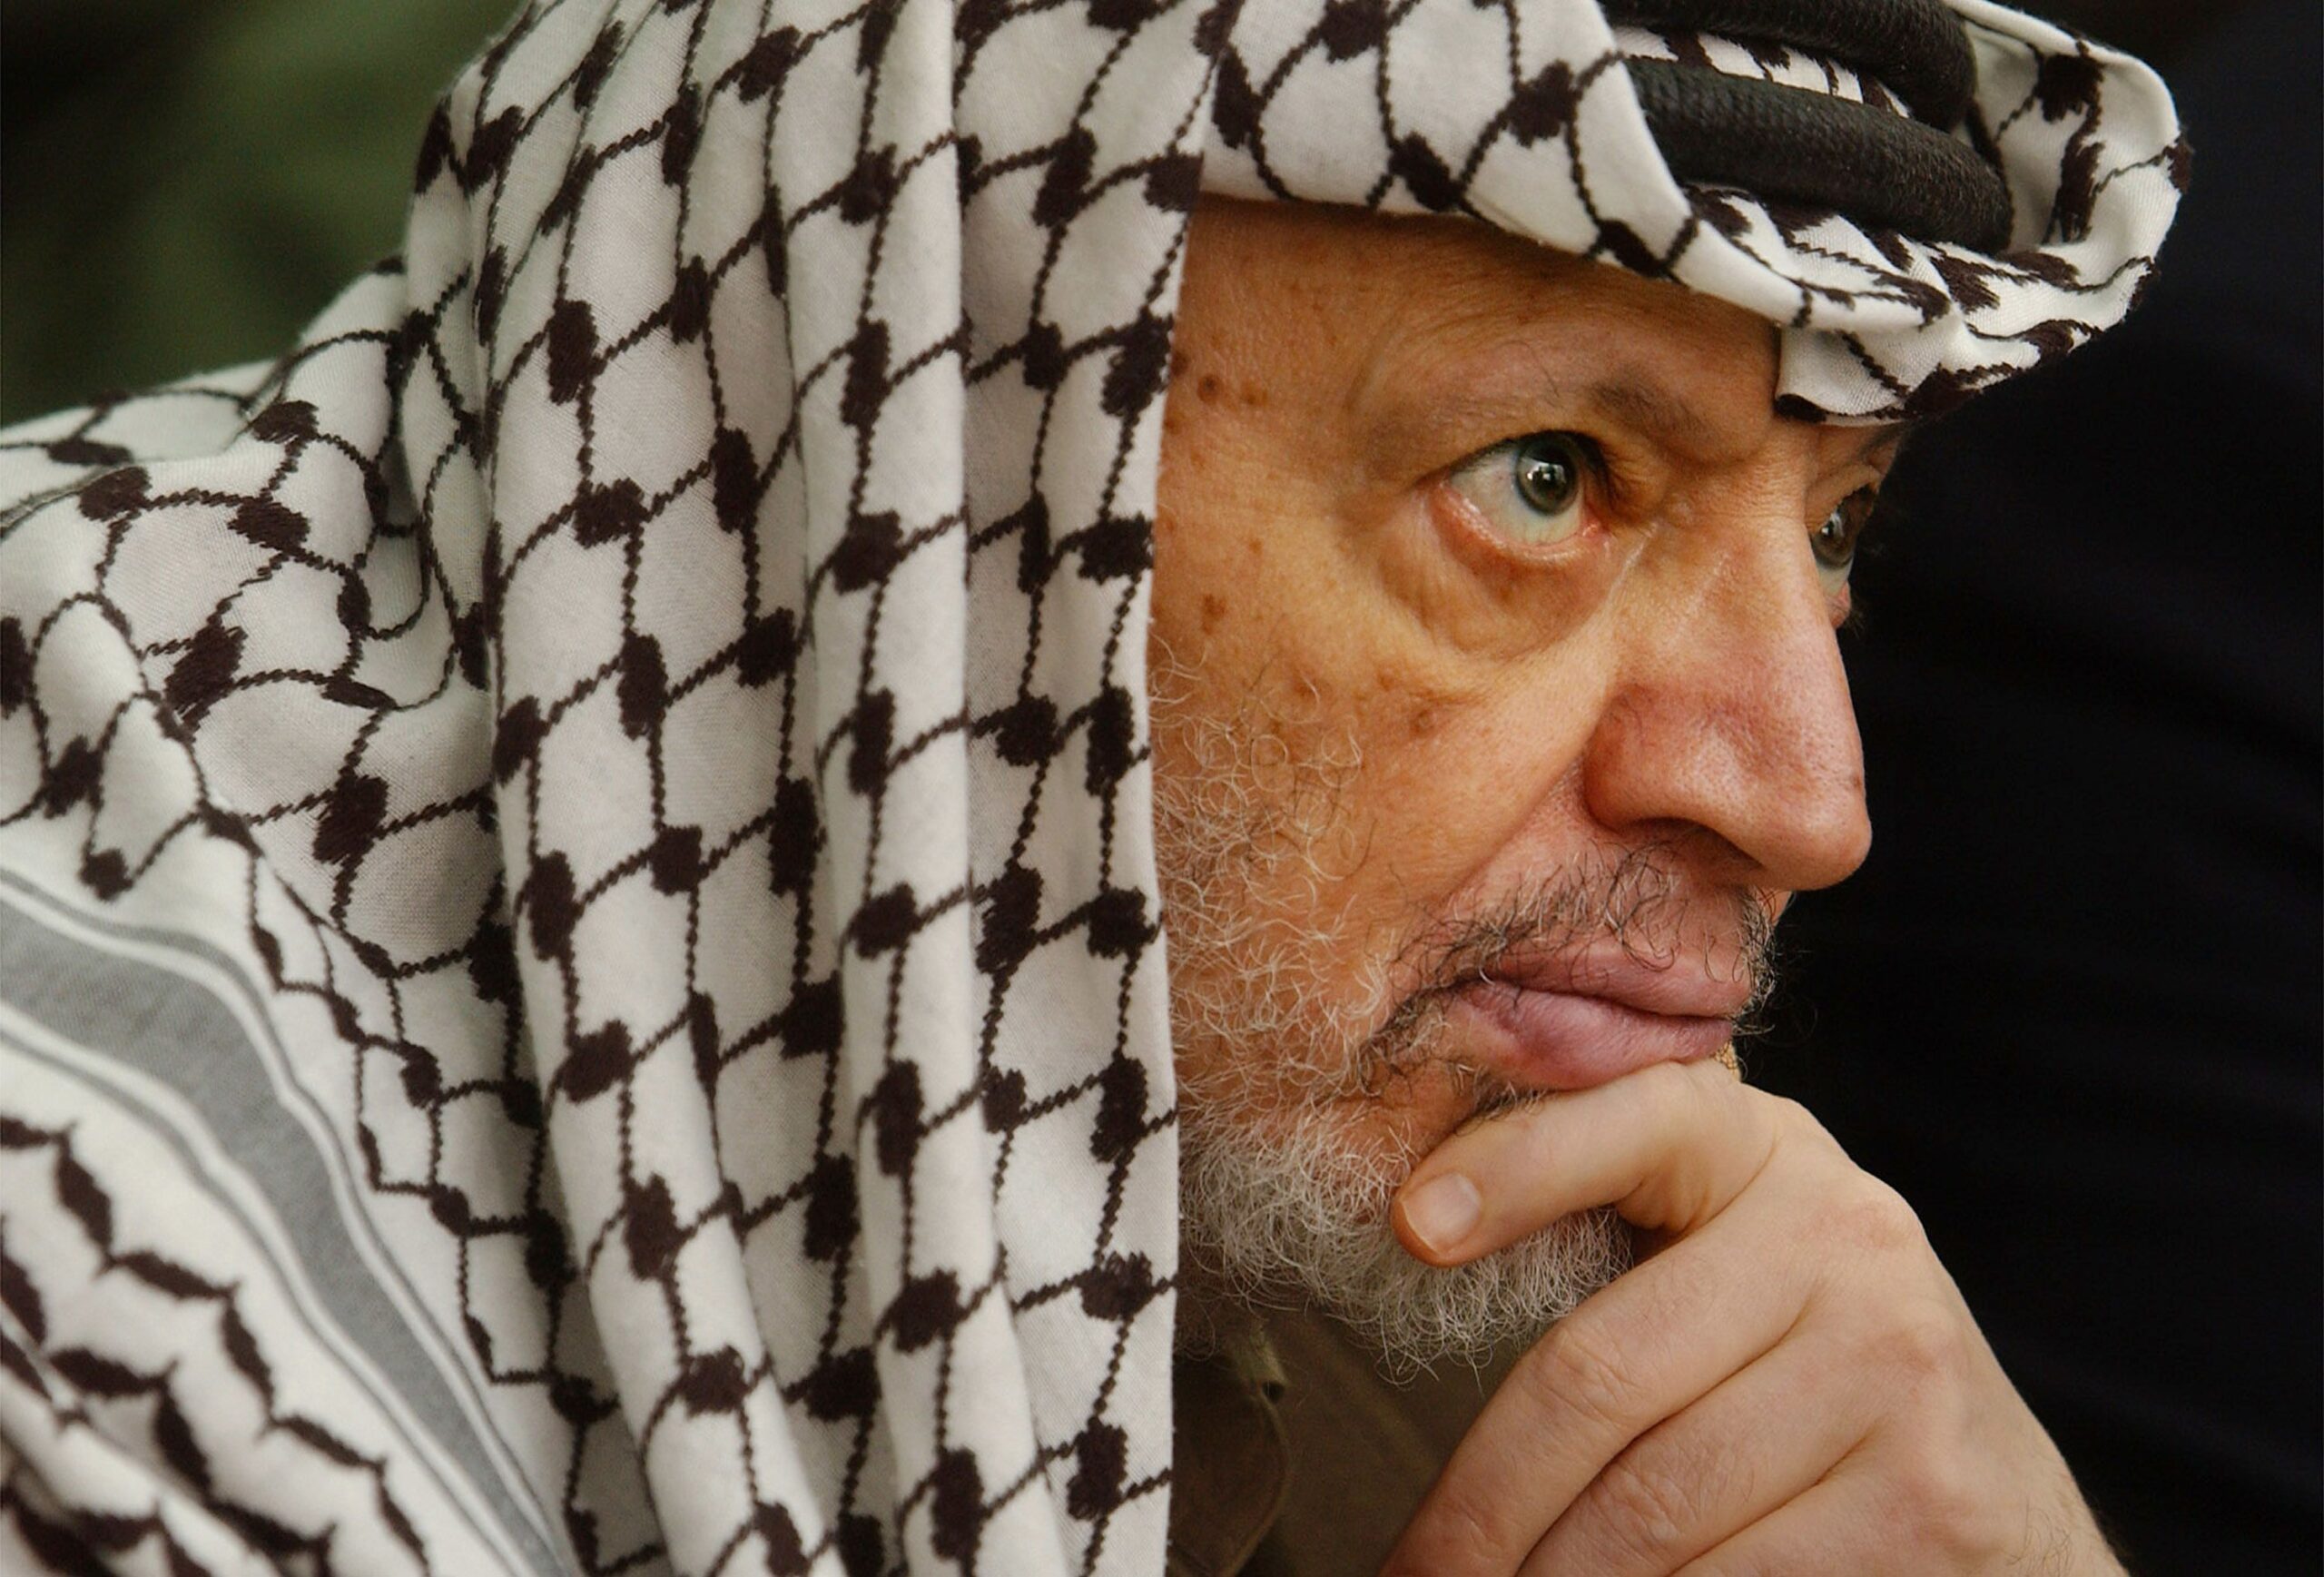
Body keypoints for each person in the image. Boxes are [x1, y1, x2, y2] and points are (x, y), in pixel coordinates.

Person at [0, 1, 2181, 1573]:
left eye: (1833, 523)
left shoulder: (1429, 1268)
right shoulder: (83, 1287)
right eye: (1544, 476)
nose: (1804, 800)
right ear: (872, 443)